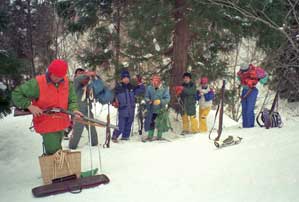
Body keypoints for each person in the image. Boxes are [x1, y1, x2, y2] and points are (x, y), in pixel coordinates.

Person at [12, 59, 82, 155]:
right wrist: (29, 106)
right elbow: (17, 94)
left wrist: (74, 110)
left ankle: (54, 168)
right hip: (46, 124)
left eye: (60, 76)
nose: (57, 78)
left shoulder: (67, 83)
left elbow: (72, 100)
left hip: (61, 123)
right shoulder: (38, 83)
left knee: (56, 152)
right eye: (55, 75)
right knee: (54, 153)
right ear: (50, 71)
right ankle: (57, 169)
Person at [68, 68, 98, 149]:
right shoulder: (75, 82)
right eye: (79, 73)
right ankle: (72, 146)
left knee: (92, 128)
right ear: (76, 75)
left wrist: (92, 78)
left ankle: (94, 144)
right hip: (78, 111)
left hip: (87, 109)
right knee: (78, 130)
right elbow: (79, 79)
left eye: (82, 73)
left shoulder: (87, 85)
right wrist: (87, 74)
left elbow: (94, 92)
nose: (81, 75)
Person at [111, 70, 145, 142]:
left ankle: (125, 138)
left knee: (129, 124)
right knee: (121, 126)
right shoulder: (118, 88)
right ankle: (114, 136)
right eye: (124, 78)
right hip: (123, 109)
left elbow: (141, 90)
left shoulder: (132, 87)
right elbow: (112, 96)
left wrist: (140, 82)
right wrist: (113, 102)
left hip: (131, 109)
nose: (126, 79)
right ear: (122, 79)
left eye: (127, 77)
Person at [237, 63, 267, 128]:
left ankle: (250, 126)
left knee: (249, 110)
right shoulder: (240, 72)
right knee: (244, 110)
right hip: (244, 90)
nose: (244, 72)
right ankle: (245, 126)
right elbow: (239, 79)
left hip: (252, 90)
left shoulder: (255, 71)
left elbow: (264, 80)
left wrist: (259, 80)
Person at [144, 75, 171, 141]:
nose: (155, 83)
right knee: (151, 122)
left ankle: (159, 136)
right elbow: (146, 96)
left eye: (157, 81)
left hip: (161, 109)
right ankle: (150, 136)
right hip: (152, 109)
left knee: (160, 123)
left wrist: (160, 101)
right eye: (154, 81)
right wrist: (148, 100)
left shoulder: (164, 88)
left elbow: (167, 98)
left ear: (159, 82)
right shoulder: (149, 88)